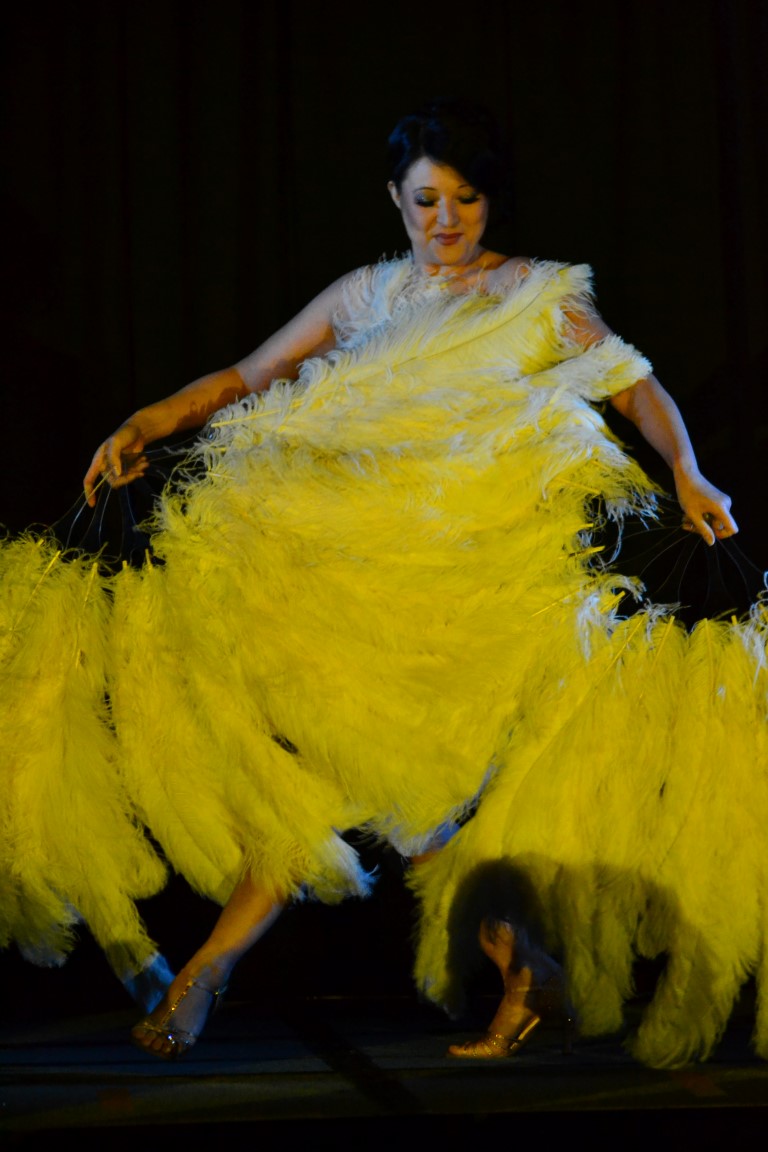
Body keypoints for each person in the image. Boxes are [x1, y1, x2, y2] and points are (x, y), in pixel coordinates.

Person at [1, 97, 760, 1070]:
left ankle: (213, 974)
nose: (446, 220)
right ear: (395, 200)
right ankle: (513, 971)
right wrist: (148, 420)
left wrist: (687, 472)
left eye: (466, 199)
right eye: (426, 200)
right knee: (364, 784)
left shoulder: (536, 292)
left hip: (469, 584)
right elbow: (248, 376)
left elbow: (631, 383)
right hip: (352, 578)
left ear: (490, 201)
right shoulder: (365, 294)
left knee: (387, 785)